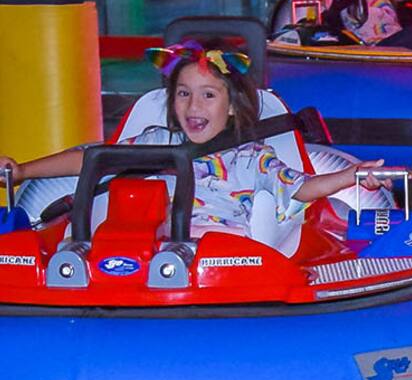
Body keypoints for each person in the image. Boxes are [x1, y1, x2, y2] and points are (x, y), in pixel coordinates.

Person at [0, 41, 385, 241]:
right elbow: (91, 159)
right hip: (154, 253)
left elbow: (301, 188)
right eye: (183, 94)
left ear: (231, 106)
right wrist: (22, 171)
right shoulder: (156, 142)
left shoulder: (252, 158)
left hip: (224, 255)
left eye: (208, 95)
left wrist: (350, 176)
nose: (193, 105)